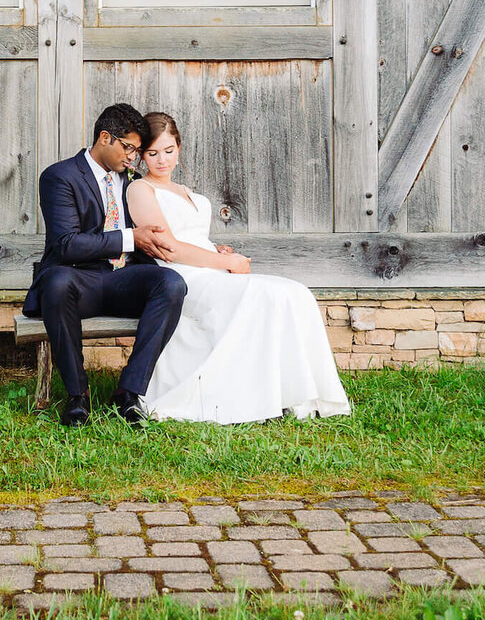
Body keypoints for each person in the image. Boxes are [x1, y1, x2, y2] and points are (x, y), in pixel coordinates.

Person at [125, 111, 351, 424]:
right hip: (180, 277)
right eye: (152, 153)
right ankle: (251, 397)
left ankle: (293, 393)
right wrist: (226, 262)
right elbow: (169, 247)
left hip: (207, 264)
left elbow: (191, 236)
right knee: (264, 295)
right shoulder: (140, 189)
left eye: (168, 150)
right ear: (141, 155)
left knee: (294, 292)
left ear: (178, 148)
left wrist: (214, 250)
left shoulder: (185, 190)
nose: (162, 160)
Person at [22, 103, 187, 427]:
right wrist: (131, 238)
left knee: (171, 283)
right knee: (56, 282)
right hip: (78, 281)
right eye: (127, 148)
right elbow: (66, 244)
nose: (132, 157)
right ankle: (77, 396)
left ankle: (128, 392)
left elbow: (158, 230)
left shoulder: (133, 181)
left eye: (137, 150)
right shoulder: (60, 176)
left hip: (123, 279)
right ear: (104, 138)